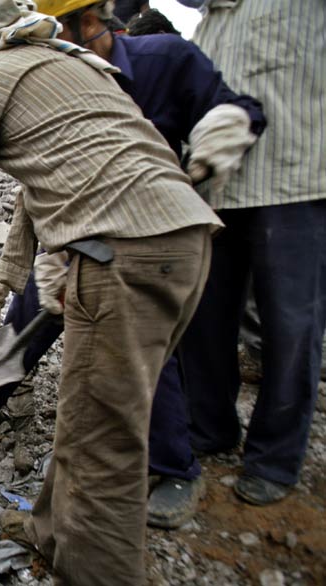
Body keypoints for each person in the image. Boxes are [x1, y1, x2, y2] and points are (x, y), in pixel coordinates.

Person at [0, 1, 222, 583]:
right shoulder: (73, 63)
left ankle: (96, 568)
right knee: (87, 410)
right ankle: (50, 530)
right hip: (186, 240)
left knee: (103, 455)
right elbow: (37, 198)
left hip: (123, 254)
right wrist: (8, 282)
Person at [0, 0, 264, 530]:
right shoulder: (59, 83)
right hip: (84, 228)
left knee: (139, 343)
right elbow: (39, 182)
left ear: (92, 22)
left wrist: (214, 143)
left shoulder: (166, 60)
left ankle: (175, 465)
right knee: (33, 307)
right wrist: (46, 256)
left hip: (155, 230)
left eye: (57, 40)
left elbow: (238, 109)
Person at [173, 0, 326, 506]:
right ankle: (210, 426)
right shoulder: (211, 19)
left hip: (295, 181)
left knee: (291, 328)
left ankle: (274, 458)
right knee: (204, 318)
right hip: (219, 189)